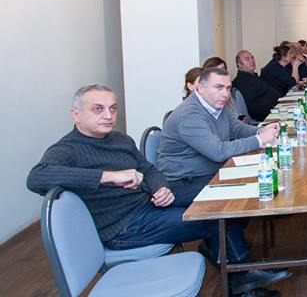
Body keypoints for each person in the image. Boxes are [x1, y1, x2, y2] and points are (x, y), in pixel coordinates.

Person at [26, 84, 288, 296]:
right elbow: (36, 177)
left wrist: (159, 187)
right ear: (75, 114)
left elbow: (149, 169)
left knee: (217, 195)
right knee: (214, 216)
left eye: (113, 108)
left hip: (146, 205)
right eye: (98, 109)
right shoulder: (68, 149)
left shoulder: (119, 139)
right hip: (124, 228)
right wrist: (108, 177)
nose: (108, 115)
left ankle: (231, 262)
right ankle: (241, 278)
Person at [158, 67, 281, 200]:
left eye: (228, 88)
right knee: (253, 189)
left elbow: (236, 128)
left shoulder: (214, 103)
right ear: (200, 88)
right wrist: (259, 139)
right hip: (184, 183)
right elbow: (218, 152)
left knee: (264, 177)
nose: (225, 94)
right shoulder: (189, 115)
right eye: (219, 87)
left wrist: (260, 131)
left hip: (209, 172)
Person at [233, 50, 283, 122]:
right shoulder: (242, 82)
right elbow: (253, 108)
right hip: (266, 117)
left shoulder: (253, 76)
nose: (252, 61)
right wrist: (275, 107)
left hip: (275, 109)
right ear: (239, 64)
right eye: (247, 59)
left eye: (252, 58)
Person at [203, 56, 253, 124]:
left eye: (222, 70)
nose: (220, 74)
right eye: (216, 71)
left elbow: (246, 119)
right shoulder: (204, 100)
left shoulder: (234, 93)